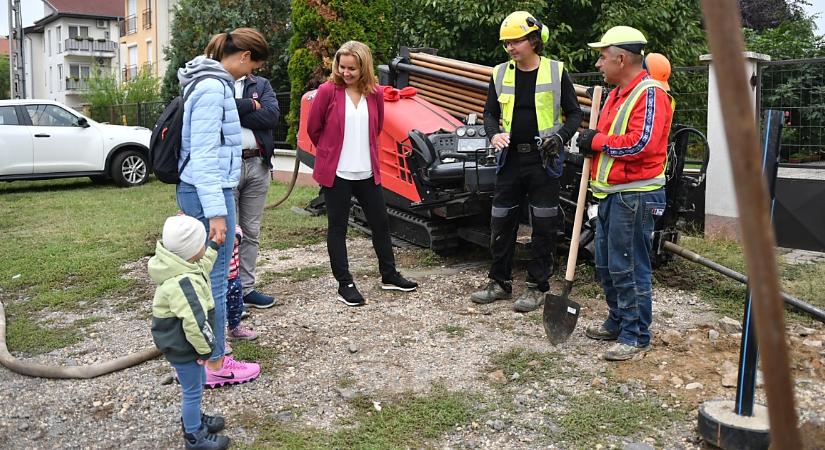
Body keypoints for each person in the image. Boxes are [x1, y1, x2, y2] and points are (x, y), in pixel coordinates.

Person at [471, 11, 583, 312]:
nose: (510, 47)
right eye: (506, 43)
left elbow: (575, 114)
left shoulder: (556, 72)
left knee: (544, 224)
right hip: (509, 159)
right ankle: (500, 282)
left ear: (534, 39)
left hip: (544, 160)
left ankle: (537, 286)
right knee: (501, 220)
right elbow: (490, 114)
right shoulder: (499, 73)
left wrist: (559, 138)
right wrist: (493, 135)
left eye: (516, 41)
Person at [576, 26, 675, 361]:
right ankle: (618, 321)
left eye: (603, 56)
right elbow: (606, 142)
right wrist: (588, 143)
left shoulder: (649, 94)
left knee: (628, 265)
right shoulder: (617, 93)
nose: (599, 63)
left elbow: (640, 143)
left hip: (635, 196)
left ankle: (635, 335)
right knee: (606, 263)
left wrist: (597, 141)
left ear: (621, 58)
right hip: (611, 194)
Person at [176, 28, 267, 386]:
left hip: (201, 190)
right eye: (253, 66)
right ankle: (216, 365)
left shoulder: (204, 81)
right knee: (213, 279)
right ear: (244, 57)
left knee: (204, 277)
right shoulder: (214, 88)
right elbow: (203, 154)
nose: (251, 74)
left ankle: (207, 353)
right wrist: (217, 211)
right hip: (208, 192)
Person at [307, 40, 418, 307]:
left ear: (364, 67)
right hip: (338, 173)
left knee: (381, 223)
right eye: (342, 67)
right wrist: (332, 151)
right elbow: (314, 129)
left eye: (352, 69)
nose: (346, 72)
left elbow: (377, 126)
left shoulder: (375, 94)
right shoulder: (326, 92)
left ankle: (389, 275)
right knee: (338, 228)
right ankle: (344, 283)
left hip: (367, 172)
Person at [148, 215, 230, 450]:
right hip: (185, 345)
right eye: (202, 243)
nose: (204, 247)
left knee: (198, 381)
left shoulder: (184, 265)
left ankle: (194, 419)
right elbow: (194, 323)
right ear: (193, 249)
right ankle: (194, 437)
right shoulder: (184, 283)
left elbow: (204, 265)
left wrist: (213, 246)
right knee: (192, 390)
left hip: (187, 343)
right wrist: (206, 350)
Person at [233, 70, 281, 310]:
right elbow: (213, 115)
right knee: (227, 233)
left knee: (251, 230)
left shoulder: (261, 84)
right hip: (227, 165)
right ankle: (227, 292)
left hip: (257, 163)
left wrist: (233, 111)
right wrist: (252, 106)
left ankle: (246, 289)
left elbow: (271, 117)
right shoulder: (216, 83)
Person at [227, 225, 258, 340]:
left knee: (236, 304)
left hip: (234, 275)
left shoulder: (226, 216)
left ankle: (235, 328)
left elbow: (236, 227)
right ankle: (218, 340)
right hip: (218, 278)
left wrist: (236, 236)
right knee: (218, 309)